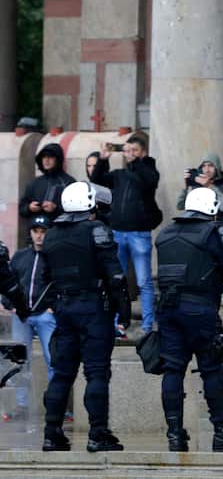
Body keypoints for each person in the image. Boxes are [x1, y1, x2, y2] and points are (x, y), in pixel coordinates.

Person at [154, 186, 223, 452]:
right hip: (200, 311)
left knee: (173, 371)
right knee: (212, 370)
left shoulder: (165, 234)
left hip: (168, 311)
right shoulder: (215, 233)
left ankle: (175, 434)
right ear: (211, 209)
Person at [39, 181, 129, 452]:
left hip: (65, 310)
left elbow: (46, 277)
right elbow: (115, 275)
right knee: (97, 373)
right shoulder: (97, 229)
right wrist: (123, 311)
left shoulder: (52, 233)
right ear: (89, 205)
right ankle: (97, 434)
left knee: (62, 374)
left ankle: (51, 433)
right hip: (93, 309)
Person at [88, 132, 161, 335]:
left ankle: (147, 324)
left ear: (143, 153)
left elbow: (147, 181)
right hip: (118, 233)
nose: (129, 154)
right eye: (127, 150)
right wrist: (103, 159)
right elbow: (97, 180)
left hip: (139, 234)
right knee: (116, 279)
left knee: (143, 281)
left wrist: (139, 161)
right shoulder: (120, 175)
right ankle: (118, 322)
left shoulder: (149, 171)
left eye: (134, 151)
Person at [3, 215, 71, 422]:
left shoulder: (56, 257)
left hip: (45, 316)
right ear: (31, 233)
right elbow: (6, 279)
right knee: (20, 362)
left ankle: (56, 406)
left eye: (43, 231)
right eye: (36, 231)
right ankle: (22, 406)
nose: (39, 236)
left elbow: (65, 284)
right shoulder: (20, 256)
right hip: (21, 316)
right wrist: (10, 304)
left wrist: (53, 308)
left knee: (54, 361)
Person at [20, 144, 75, 227]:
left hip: (60, 233)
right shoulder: (34, 183)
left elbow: (76, 210)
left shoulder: (68, 183)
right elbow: (22, 208)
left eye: (50, 157)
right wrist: (29, 208)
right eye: (44, 157)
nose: (46, 160)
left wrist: (56, 208)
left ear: (58, 159)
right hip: (36, 233)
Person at [179, 152, 223, 231]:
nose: (207, 170)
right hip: (201, 229)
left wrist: (209, 186)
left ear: (217, 167)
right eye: (204, 166)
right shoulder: (198, 184)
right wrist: (185, 188)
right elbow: (180, 206)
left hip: (222, 230)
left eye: (210, 166)